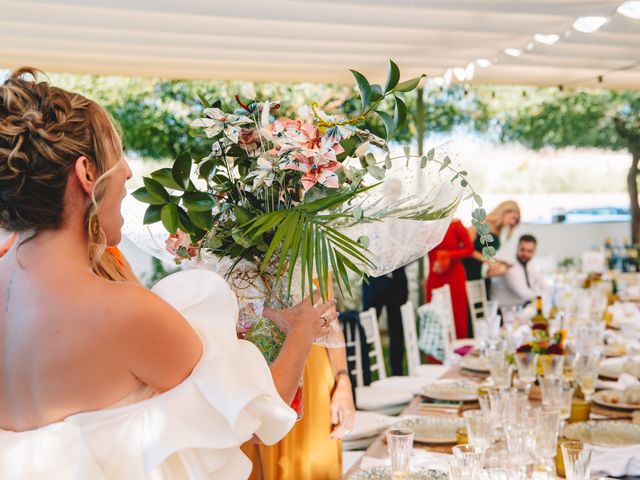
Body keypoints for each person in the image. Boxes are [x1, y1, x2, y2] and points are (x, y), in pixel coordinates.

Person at [0, 67, 337, 479]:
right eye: (116, 154)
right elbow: (251, 414)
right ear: (87, 173)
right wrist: (303, 328)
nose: (126, 173)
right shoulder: (124, 312)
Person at [424, 219, 474, 339]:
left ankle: (457, 351)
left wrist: (449, 256)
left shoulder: (456, 224)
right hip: (435, 275)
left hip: (454, 276)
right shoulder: (426, 225)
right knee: (435, 313)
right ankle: (436, 355)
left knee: (456, 313)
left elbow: (469, 249)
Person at [362, 267, 408, 376]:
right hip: (373, 279)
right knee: (367, 330)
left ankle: (398, 373)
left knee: (397, 331)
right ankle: (362, 371)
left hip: (396, 280)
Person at [491, 234, 542, 309]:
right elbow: (525, 294)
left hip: (518, 309)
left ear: (534, 251)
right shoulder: (510, 265)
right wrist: (543, 295)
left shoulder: (528, 264)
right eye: (522, 250)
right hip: (502, 312)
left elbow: (544, 284)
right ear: (517, 247)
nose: (525, 254)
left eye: (529, 251)